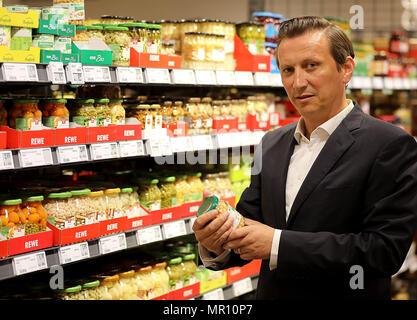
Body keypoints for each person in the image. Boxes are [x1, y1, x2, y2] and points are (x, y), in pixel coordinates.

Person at [193, 16, 417, 299]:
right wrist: (215, 240)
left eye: (311, 66)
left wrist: (277, 244)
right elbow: (249, 227)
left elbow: (383, 252)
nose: (298, 82)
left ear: (346, 69)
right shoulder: (271, 144)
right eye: (288, 70)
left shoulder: (389, 145)